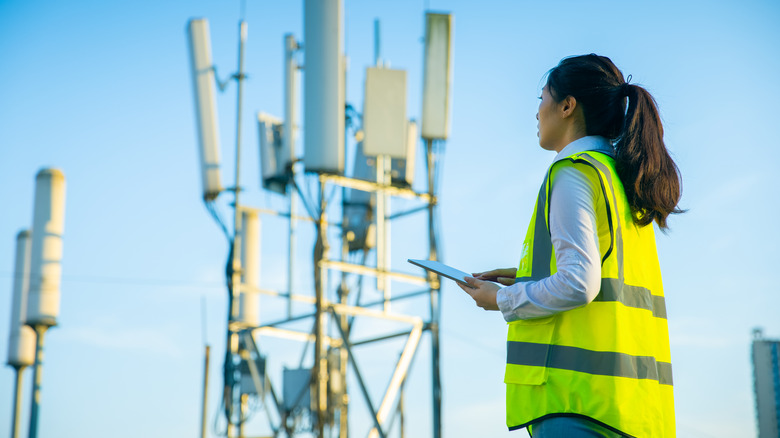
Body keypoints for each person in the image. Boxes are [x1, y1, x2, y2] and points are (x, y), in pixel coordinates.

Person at [457, 54, 682, 437]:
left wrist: (501, 300)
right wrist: (524, 279)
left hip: (578, 407)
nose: (537, 112)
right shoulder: (621, 181)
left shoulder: (574, 173)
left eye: (541, 98)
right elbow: (607, 272)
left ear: (567, 105)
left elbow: (580, 282)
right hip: (634, 412)